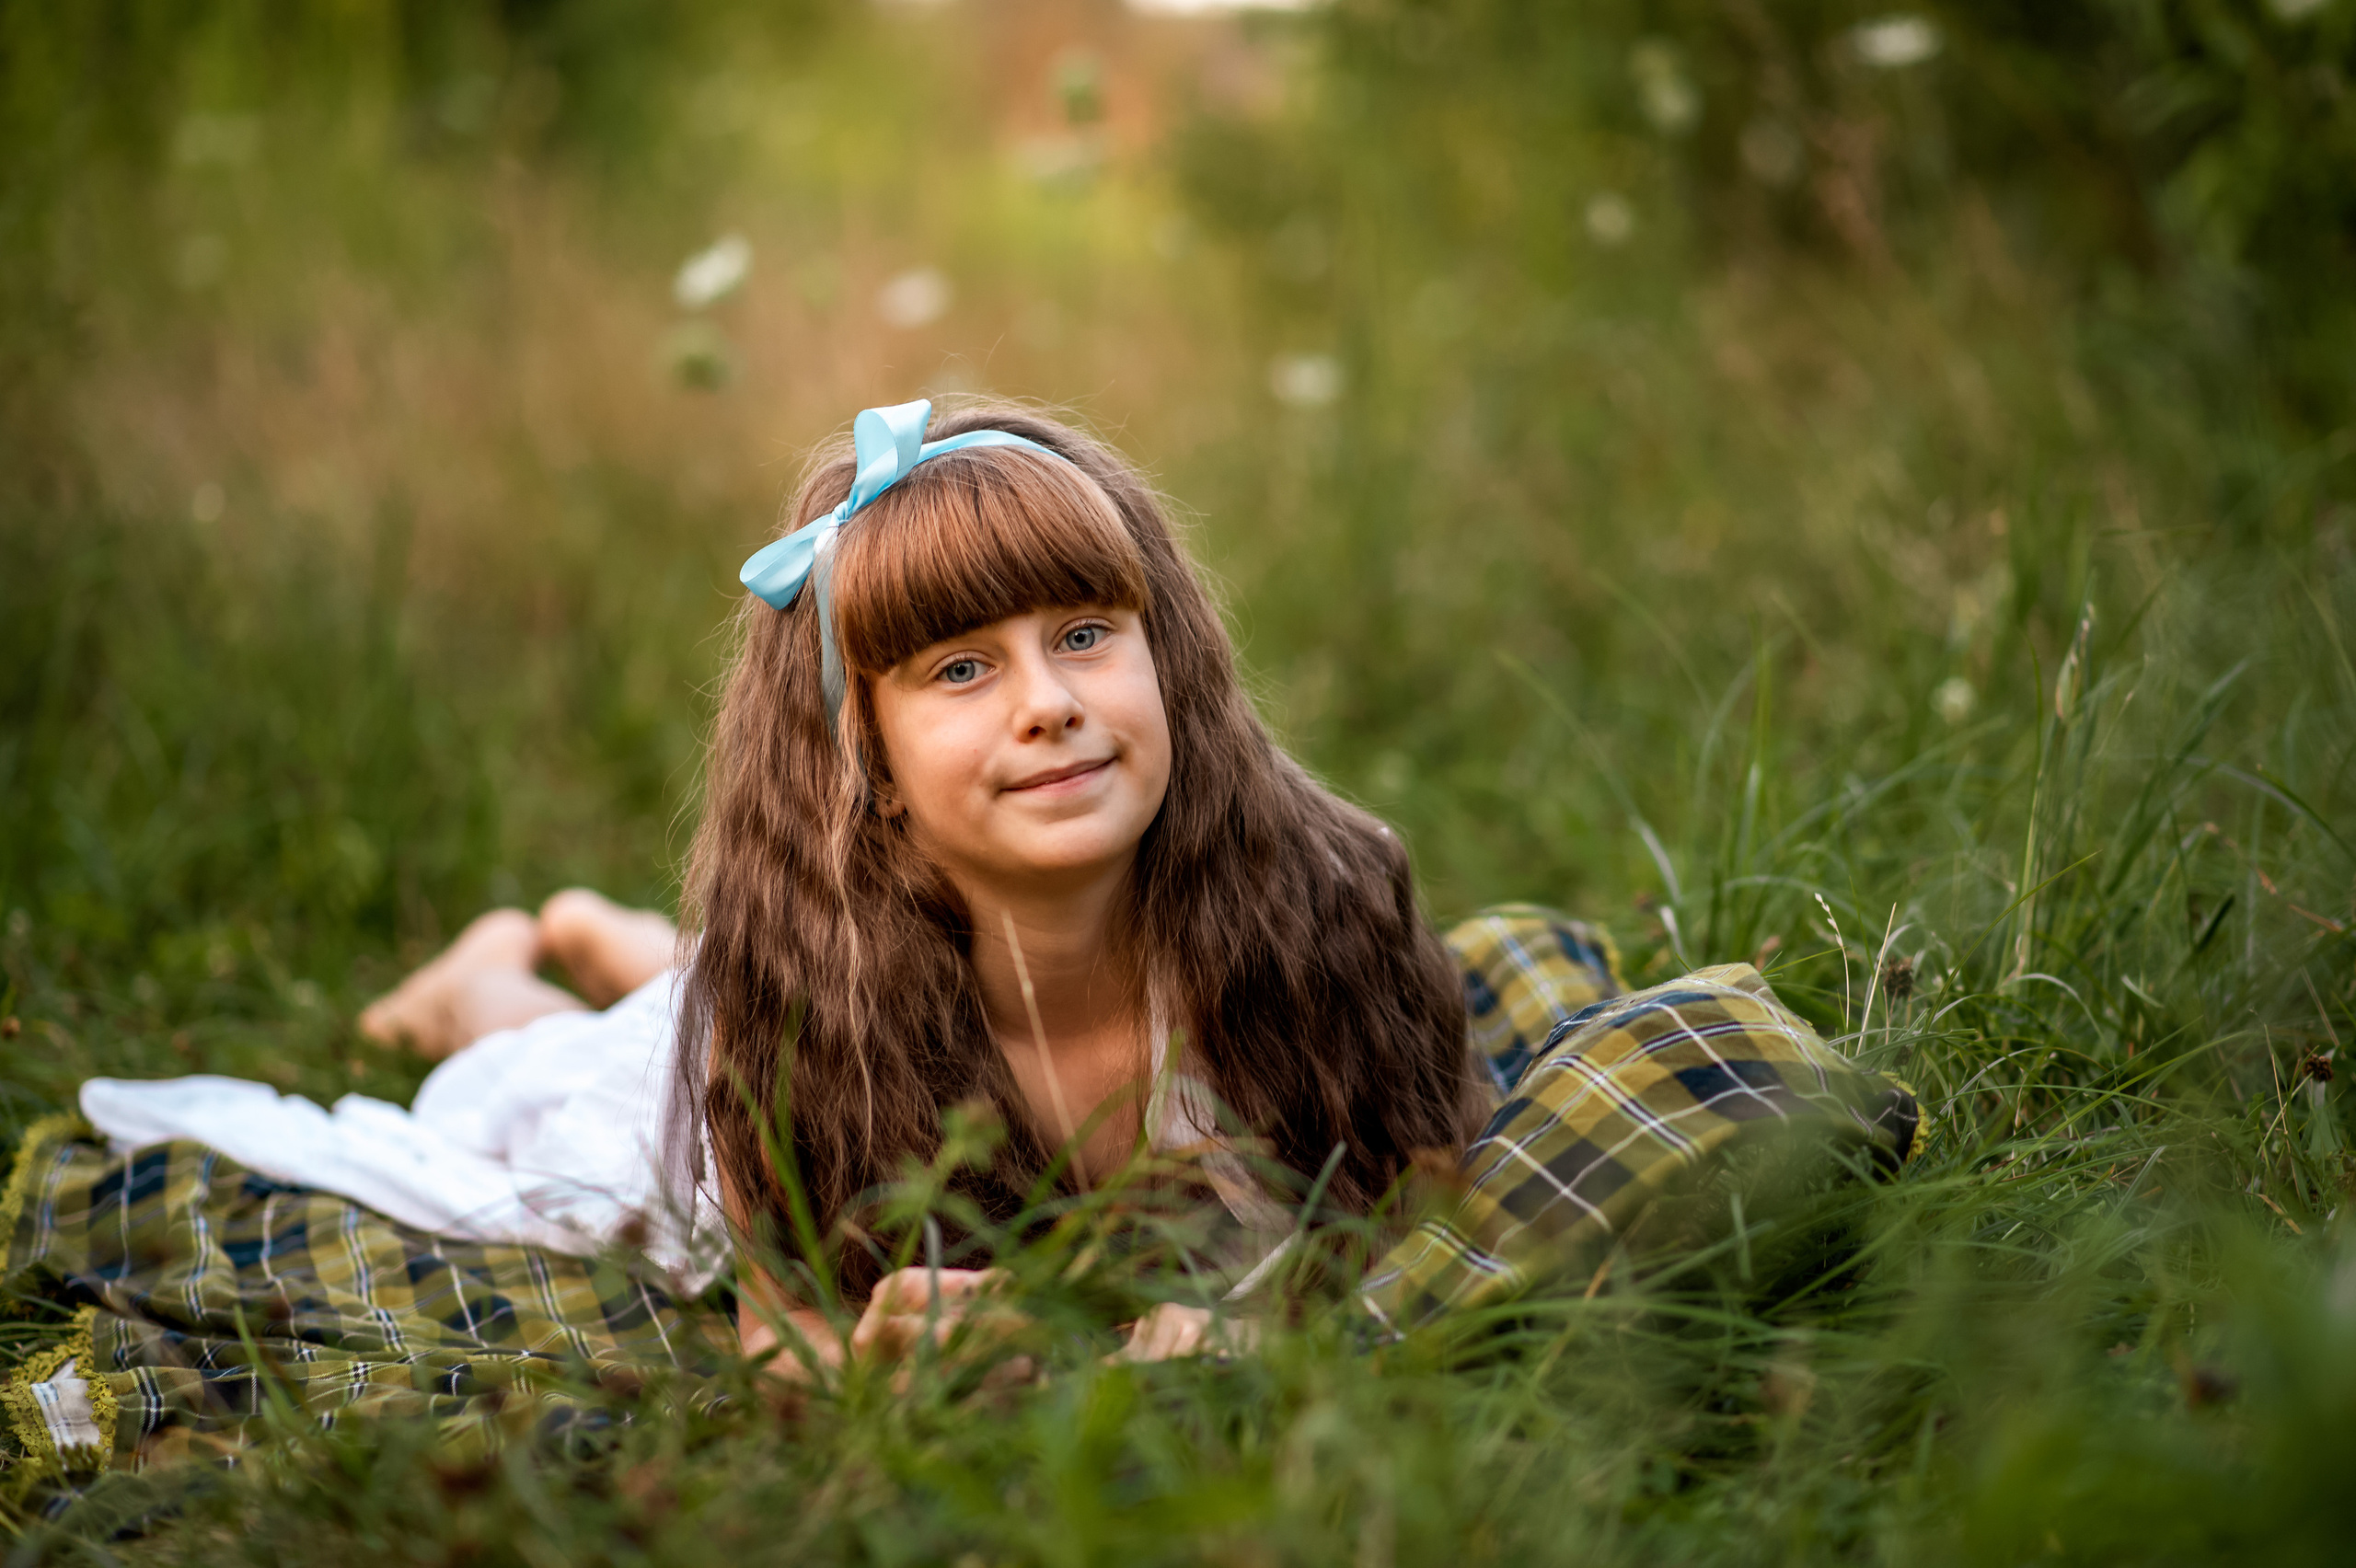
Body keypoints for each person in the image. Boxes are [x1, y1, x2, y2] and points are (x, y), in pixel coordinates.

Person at [15, 399, 1916, 1475]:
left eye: (1087, 635)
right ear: (861, 764)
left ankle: (595, 932)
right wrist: (870, 1355)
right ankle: (517, 965)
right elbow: (769, 1339)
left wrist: (1240, 1321)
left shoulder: (1317, 904)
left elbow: (1428, 1193)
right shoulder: (785, 1018)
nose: (1049, 704)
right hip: (678, 1065)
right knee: (507, 1098)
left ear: (1166, 658)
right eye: (958, 668)